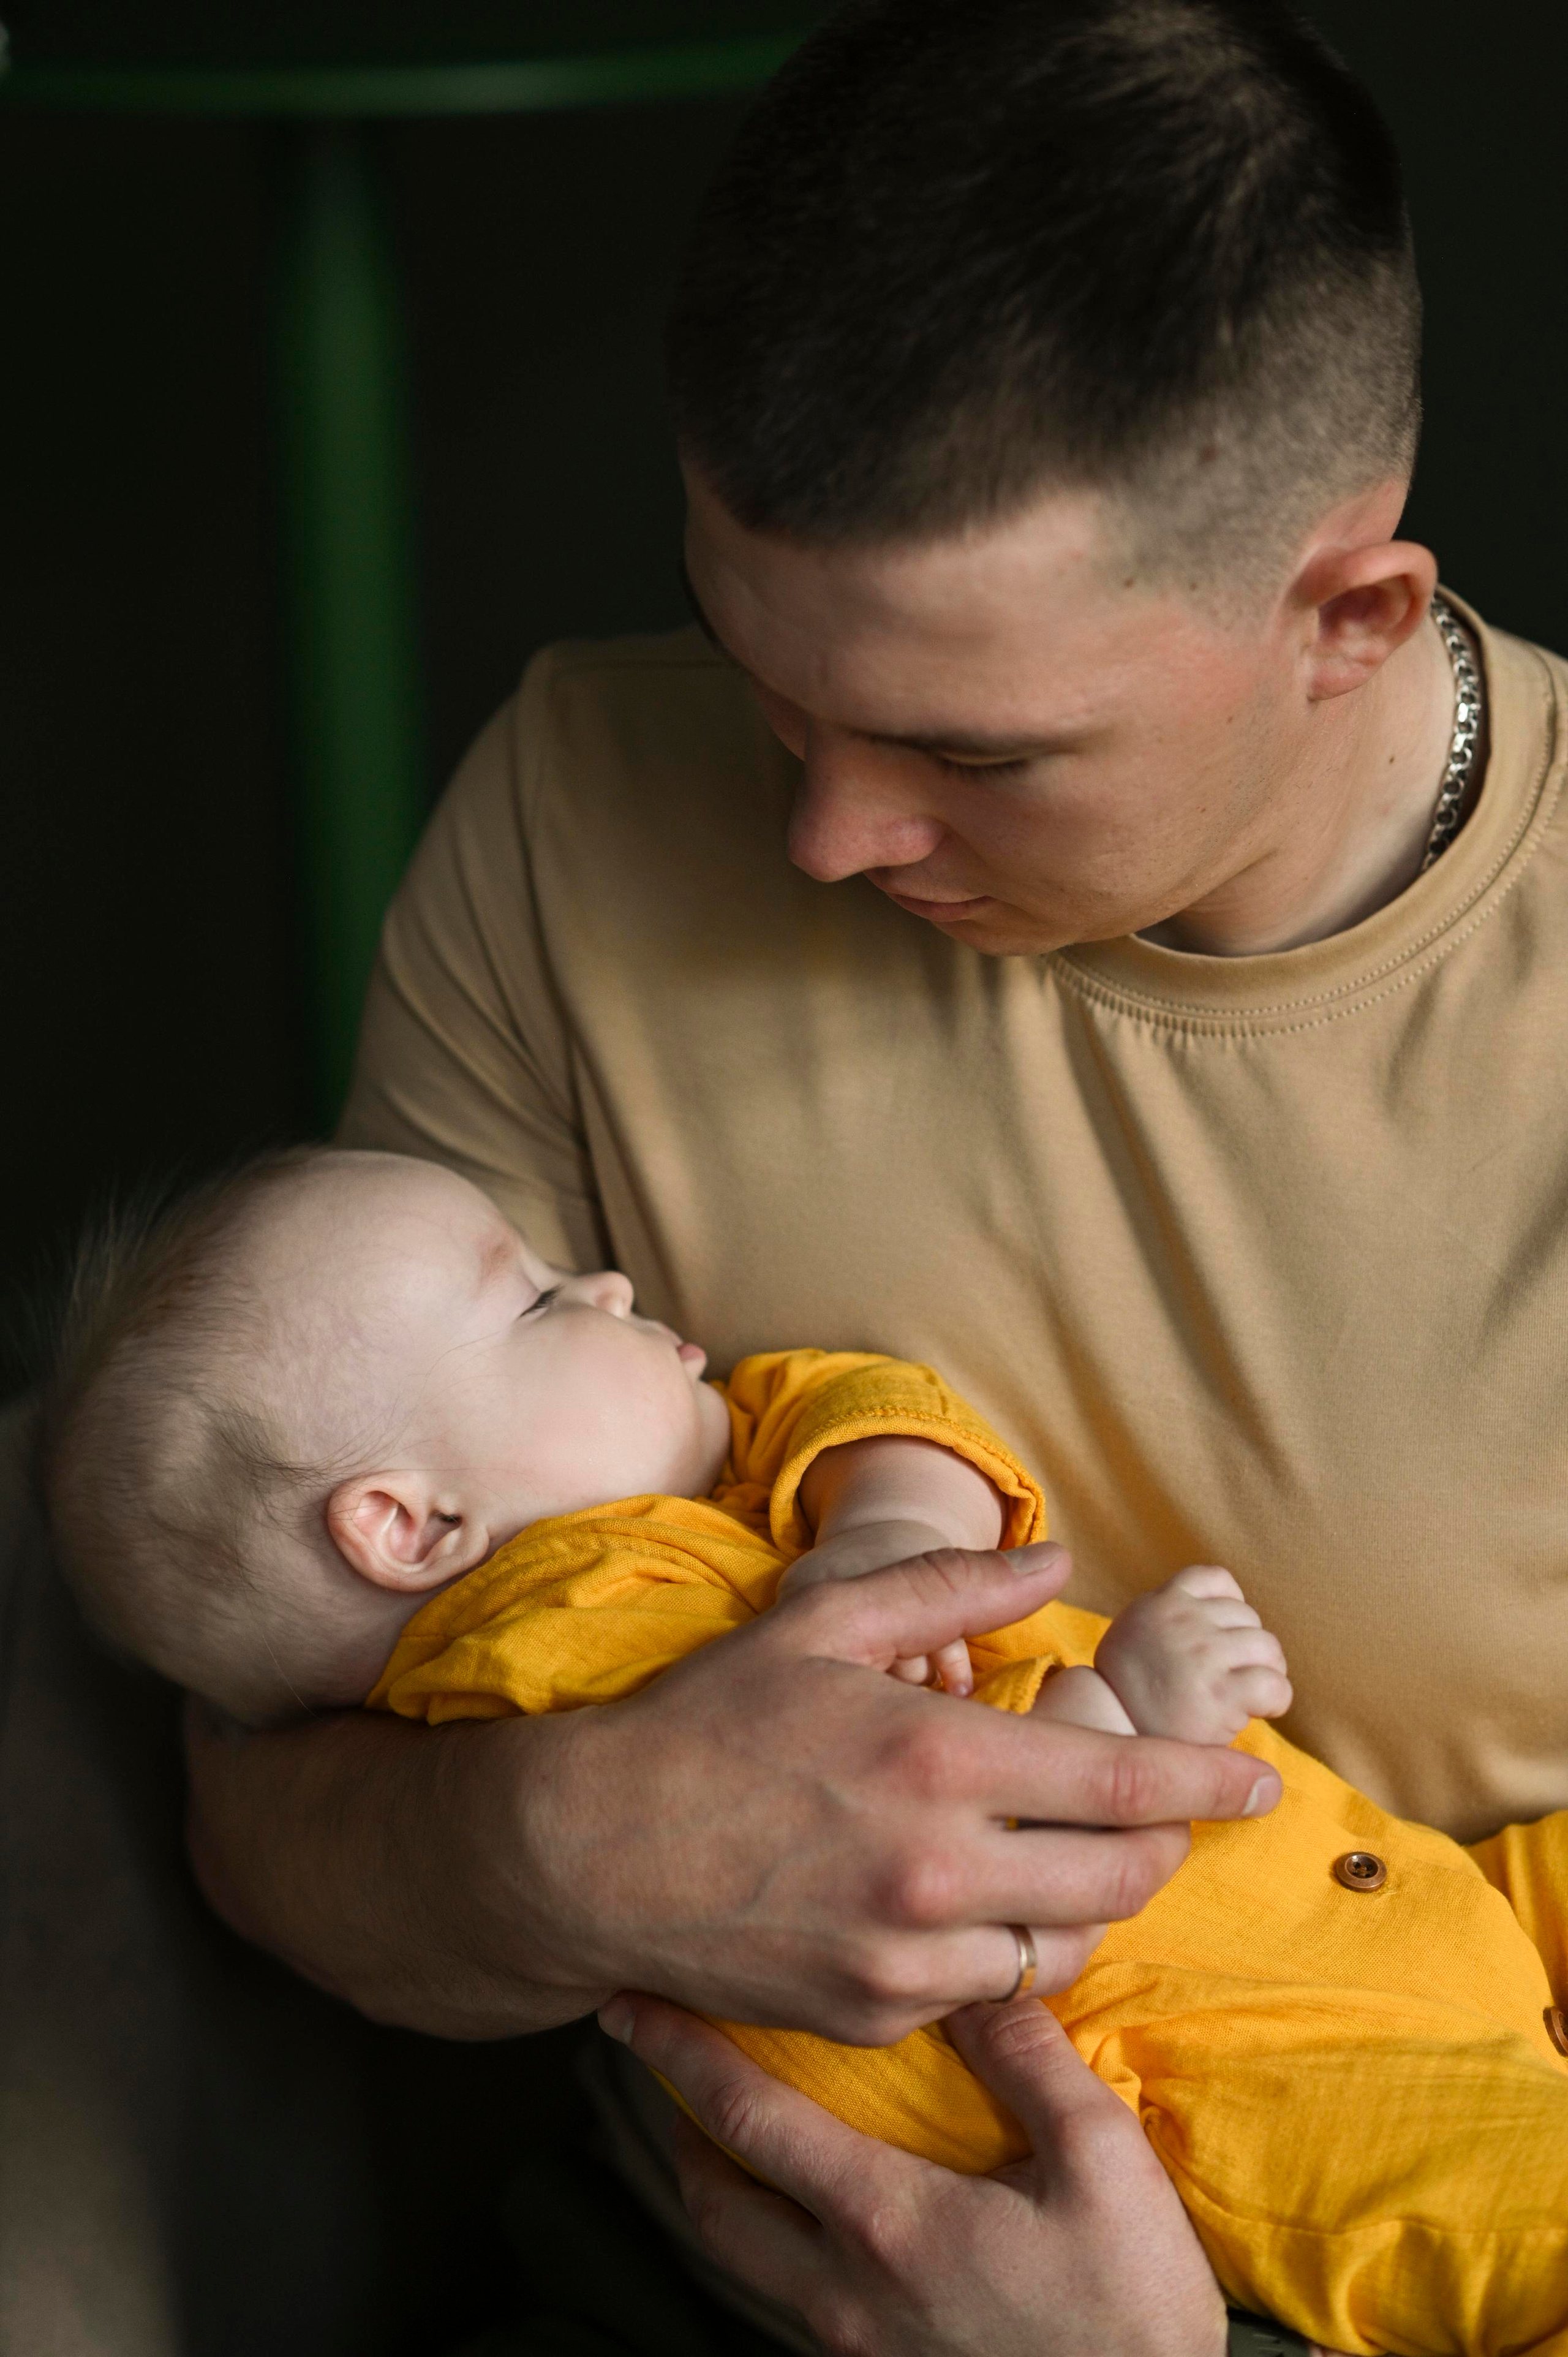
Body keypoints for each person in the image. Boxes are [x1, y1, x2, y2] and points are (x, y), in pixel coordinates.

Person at [181, 1, 1568, 2348]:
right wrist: (562, 1839)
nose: (823, 833)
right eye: (767, 681)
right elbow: (264, 1780)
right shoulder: (569, 805)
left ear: (1349, 622)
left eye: (970, 748)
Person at [42, 1146, 1568, 2353]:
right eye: (535, 1301)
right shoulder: (563, 1667)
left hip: (1410, 1914)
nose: (611, 1279)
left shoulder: (692, 1493)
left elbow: (853, 1394)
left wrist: (890, 1526)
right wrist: (1130, 1712)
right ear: (411, 1526)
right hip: (1232, 2077)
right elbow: (957, 1869)